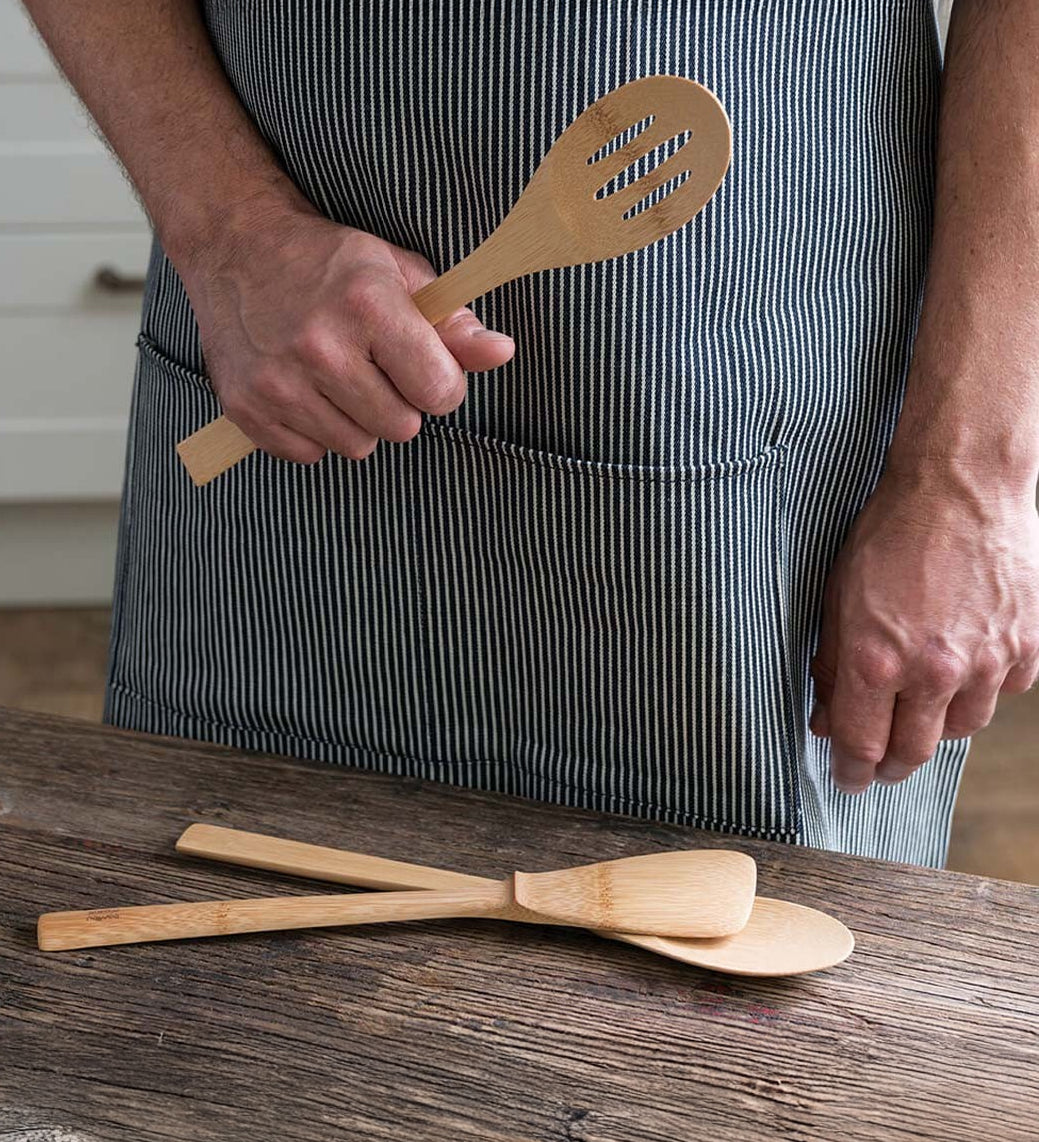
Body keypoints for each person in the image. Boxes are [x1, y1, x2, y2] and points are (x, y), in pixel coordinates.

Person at [24, 0, 1039, 867]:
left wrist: (966, 479)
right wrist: (229, 231)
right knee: (215, 973)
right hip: (277, 394)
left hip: (743, 452)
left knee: (728, 1043)